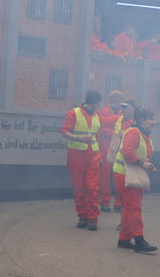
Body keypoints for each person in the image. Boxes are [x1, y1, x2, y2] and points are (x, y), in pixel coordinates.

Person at [113, 108, 158, 252]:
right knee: (134, 207)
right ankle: (139, 240)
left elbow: (136, 153)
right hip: (126, 174)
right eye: (151, 119)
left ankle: (124, 239)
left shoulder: (143, 134)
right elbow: (127, 153)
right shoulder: (134, 132)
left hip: (128, 173)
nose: (154, 122)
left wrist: (145, 163)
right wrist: (143, 163)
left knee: (128, 207)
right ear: (142, 120)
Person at [61, 90, 103, 231]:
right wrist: (79, 138)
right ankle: (83, 216)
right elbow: (64, 131)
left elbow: (98, 137)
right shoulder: (74, 113)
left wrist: (100, 155)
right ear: (94, 103)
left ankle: (92, 218)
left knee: (92, 187)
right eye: (98, 102)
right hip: (76, 154)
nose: (99, 105)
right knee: (79, 188)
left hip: (93, 154)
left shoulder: (97, 116)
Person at [97, 90, 125, 212]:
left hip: (117, 147)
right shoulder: (104, 112)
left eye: (119, 102)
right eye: (117, 102)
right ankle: (104, 202)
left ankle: (118, 203)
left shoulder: (120, 112)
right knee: (105, 177)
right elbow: (101, 128)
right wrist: (115, 134)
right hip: (106, 148)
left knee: (118, 176)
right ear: (111, 101)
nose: (118, 104)